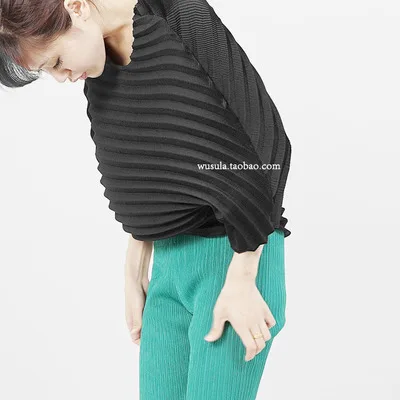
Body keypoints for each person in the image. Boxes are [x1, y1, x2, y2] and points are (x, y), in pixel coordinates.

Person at [0, 0, 292, 398]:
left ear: (76, 7)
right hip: (168, 270)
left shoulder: (179, 16)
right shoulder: (100, 65)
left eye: (56, 62)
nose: (62, 77)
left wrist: (243, 275)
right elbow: (151, 167)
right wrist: (134, 269)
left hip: (236, 257)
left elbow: (269, 149)